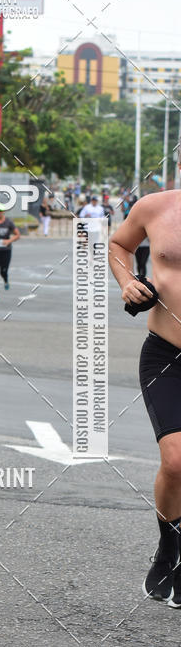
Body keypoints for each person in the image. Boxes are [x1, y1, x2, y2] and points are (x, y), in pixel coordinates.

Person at [109, 178, 181, 606]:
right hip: (165, 354)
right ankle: (169, 545)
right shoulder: (155, 208)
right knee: (174, 462)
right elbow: (118, 245)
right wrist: (128, 282)